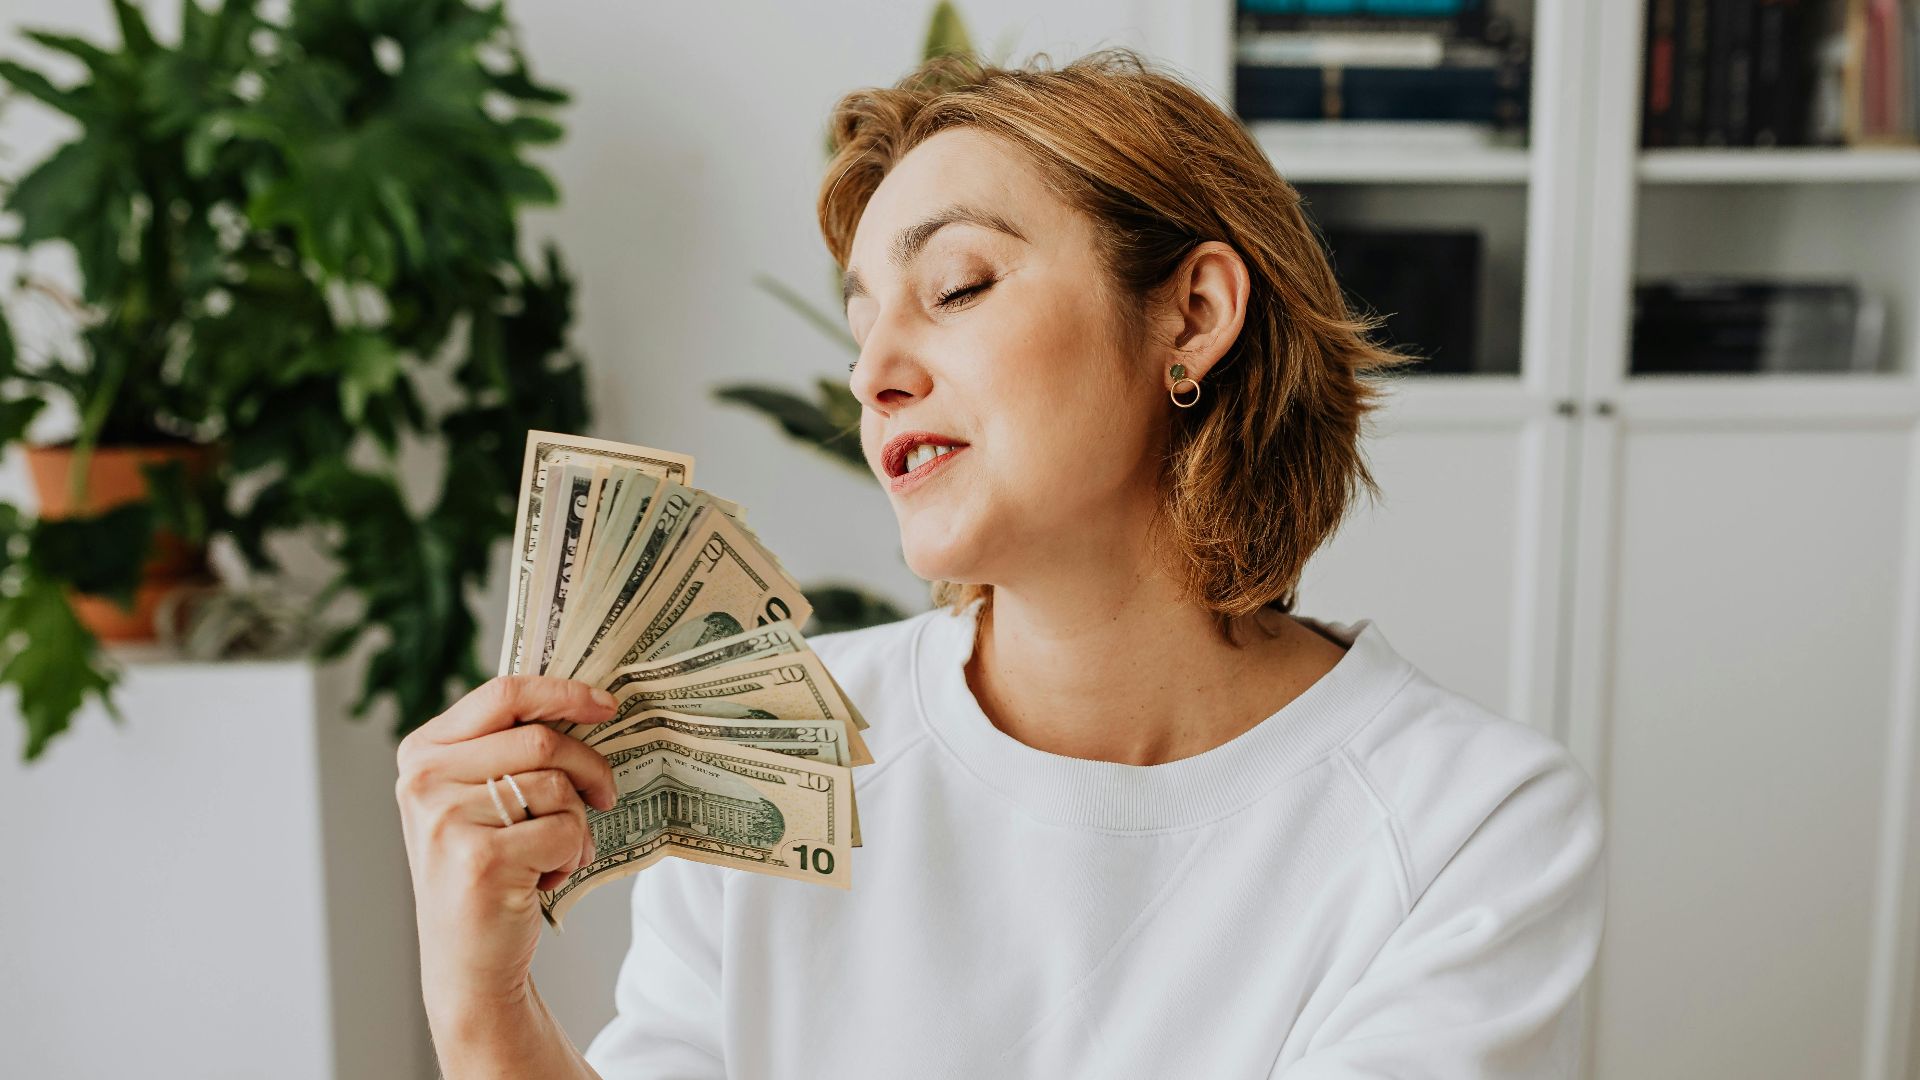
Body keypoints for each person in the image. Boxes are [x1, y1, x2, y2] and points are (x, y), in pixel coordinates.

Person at [395, 47, 1606, 1079]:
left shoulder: (1471, 822)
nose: (873, 372)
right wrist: (484, 1010)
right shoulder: (768, 744)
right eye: (862, 319)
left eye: (956, 286)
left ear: (1192, 316)